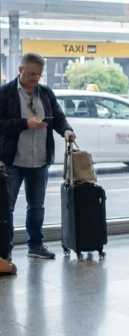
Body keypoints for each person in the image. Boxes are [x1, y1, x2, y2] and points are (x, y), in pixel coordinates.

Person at [0, 53, 76, 268]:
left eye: (39, 74)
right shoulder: (5, 93)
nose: (36, 78)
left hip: (40, 160)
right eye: (32, 74)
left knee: (37, 206)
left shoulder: (46, 93)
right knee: (7, 208)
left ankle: (36, 246)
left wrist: (67, 131)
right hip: (12, 161)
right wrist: (26, 124)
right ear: (20, 70)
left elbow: (59, 117)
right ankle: (4, 252)